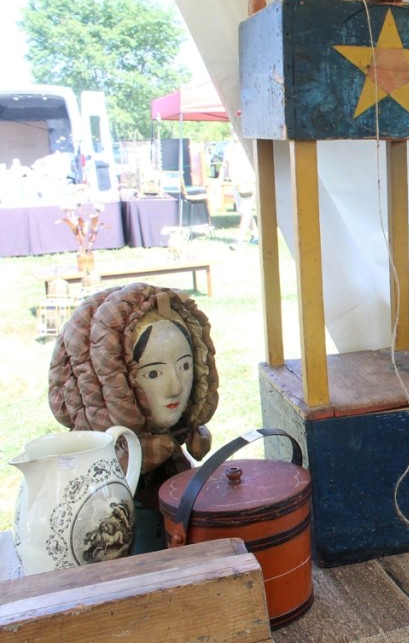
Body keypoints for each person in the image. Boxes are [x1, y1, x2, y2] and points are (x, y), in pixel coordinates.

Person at [49, 284, 218, 512]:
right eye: (153, 373)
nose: (176, 386)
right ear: (106, 385)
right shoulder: (95, 493)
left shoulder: (174, 456)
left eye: (185, 365)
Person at [223, 137, 258, 248]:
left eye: (234, 129)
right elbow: (225, 165)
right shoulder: (229, 147)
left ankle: (239, 239)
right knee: (242, 211)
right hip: (236, 184)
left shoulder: (248, 145)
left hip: (249, 183)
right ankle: (257, 235)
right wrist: (219, 181)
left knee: (245, 211)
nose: (233, 132)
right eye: (232, 129)